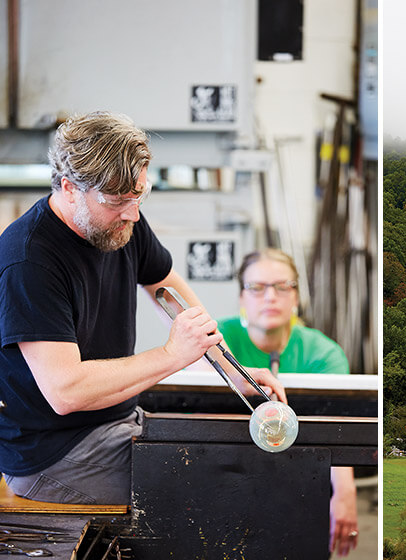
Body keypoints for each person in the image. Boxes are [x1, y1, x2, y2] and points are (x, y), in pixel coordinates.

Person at [0, 111, 287, 505]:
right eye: (116, 200)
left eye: (139, 195)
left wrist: (229, 371)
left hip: (117, 423)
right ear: (69, 188)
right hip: (54, 455)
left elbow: (176, 299)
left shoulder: (122, 221)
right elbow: (67, 392)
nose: (132, 213)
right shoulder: (29, 260)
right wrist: (172, 355)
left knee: (243, 465)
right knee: (220, 491)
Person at [218, 248, 359, 557]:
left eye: (282, 287)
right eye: (257, 287)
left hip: (301, 479)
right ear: (242, 297)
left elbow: (336, 427)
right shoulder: (216, 341)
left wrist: (346, 494)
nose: (270, 297)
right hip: (224, 475)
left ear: (295, 296)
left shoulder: (323, 354)